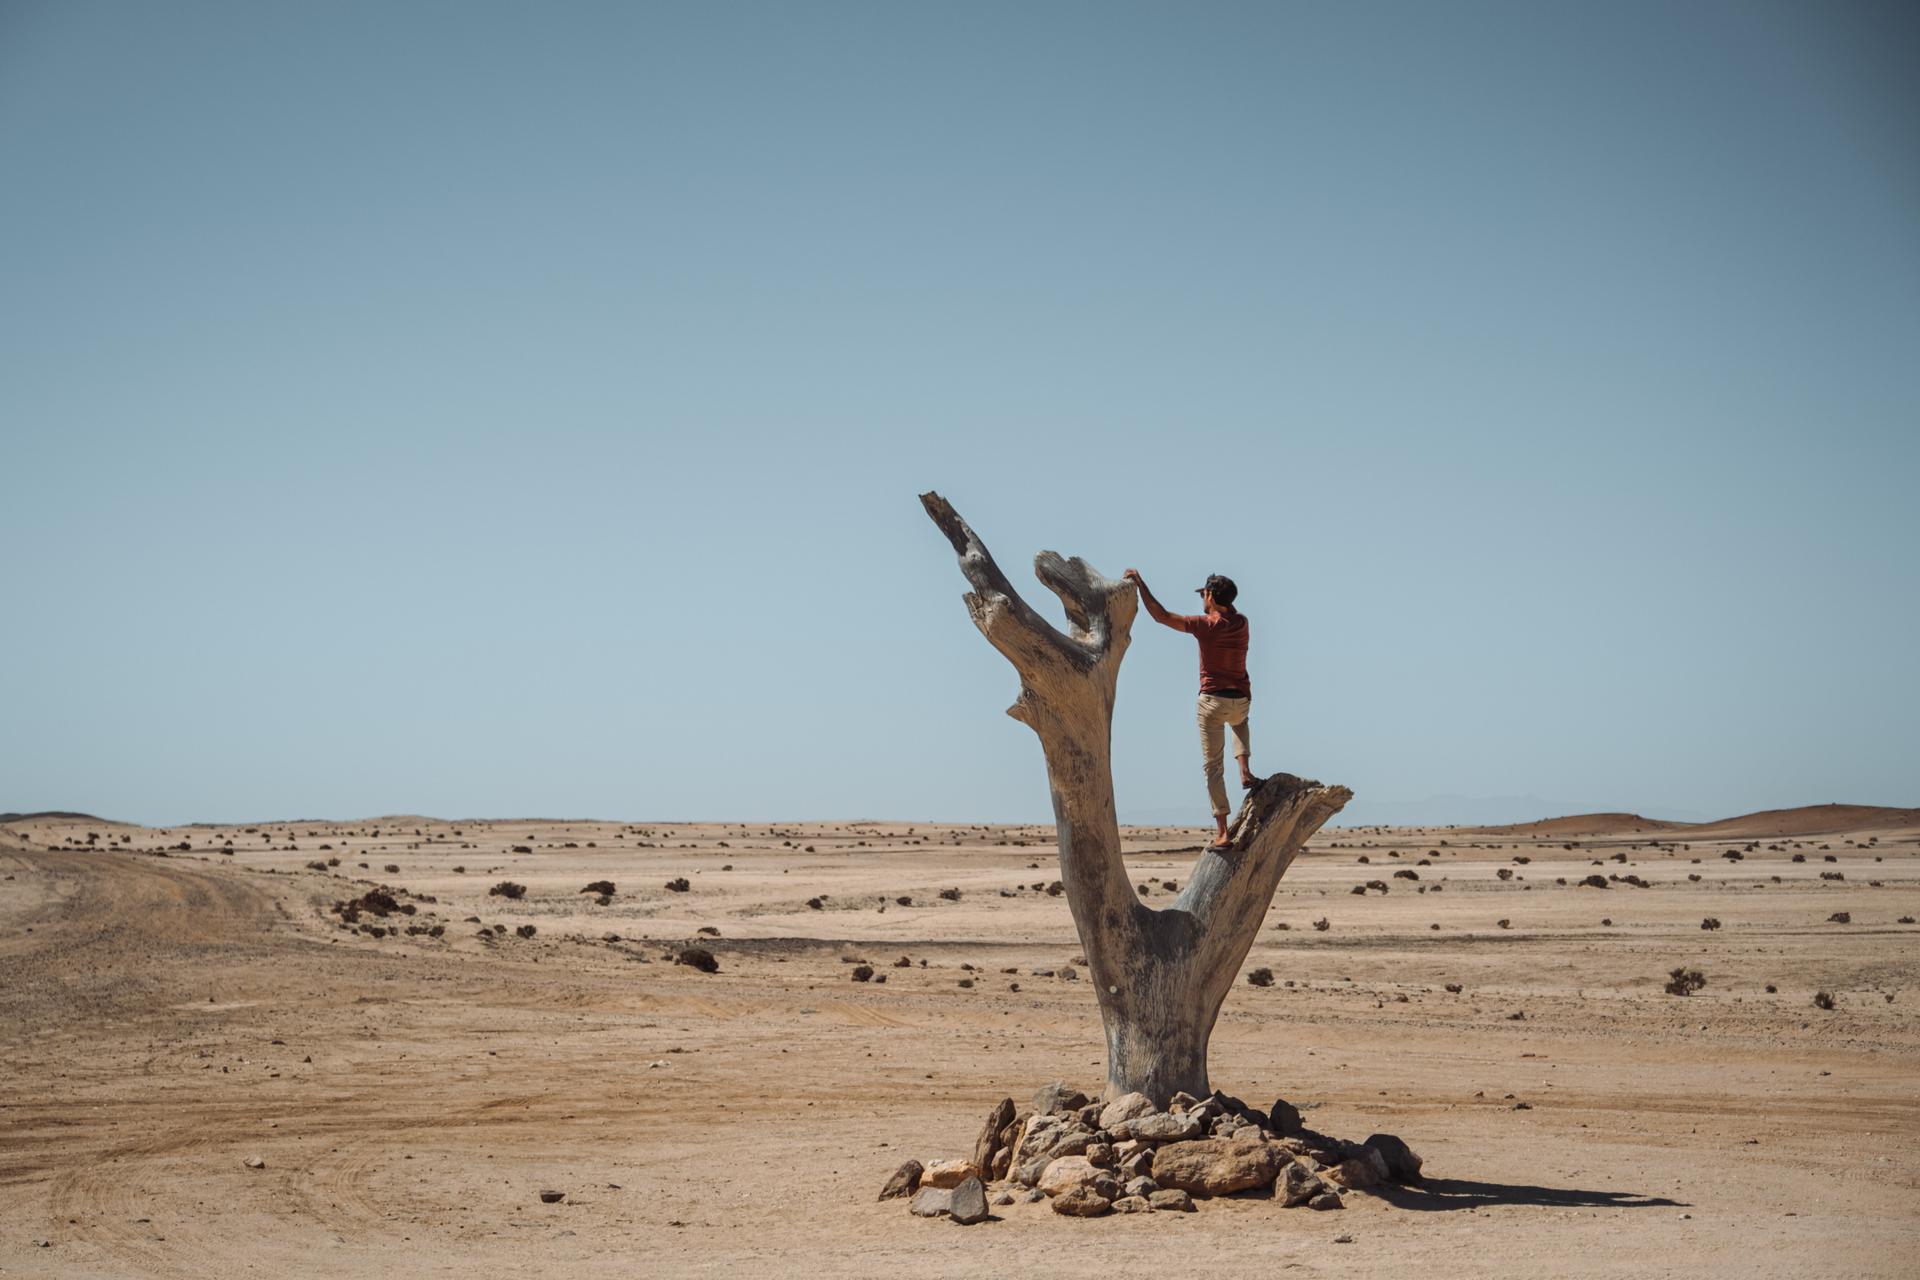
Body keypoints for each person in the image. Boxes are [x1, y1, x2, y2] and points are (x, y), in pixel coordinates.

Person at [1122, 569, 1257, 849]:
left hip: (1212, 702)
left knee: (1213, 768)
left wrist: (1140, 583)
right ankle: (1244, 770)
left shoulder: (1206, 626)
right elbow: (1228, 609)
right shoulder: (1242, 623)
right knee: (1240, 722)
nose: (1201, 600)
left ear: (1210, 595)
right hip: (1240, 702)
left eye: (1204, 595)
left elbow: (1161, 616)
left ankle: (1222, 832)